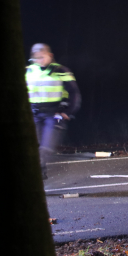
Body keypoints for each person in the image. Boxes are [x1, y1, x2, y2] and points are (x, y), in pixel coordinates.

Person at [26, 44, 81, 179]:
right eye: (36, 58)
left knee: (45, 148)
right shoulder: (28, 71)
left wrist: (68, 112)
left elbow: (74, 93)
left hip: (54, 114)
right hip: (34, 113)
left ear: (49, 56)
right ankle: (40, 175)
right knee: (34, 149)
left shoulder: (61, 71)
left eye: (42, 57)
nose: (39, 60)